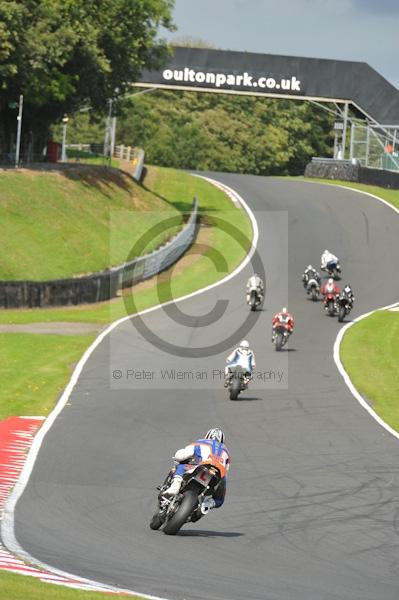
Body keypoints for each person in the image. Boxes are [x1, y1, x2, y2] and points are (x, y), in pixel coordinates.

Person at [164, 428, 230, 516]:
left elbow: (182, 455)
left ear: (207, 436)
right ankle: (208, 505)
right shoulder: (226, 451)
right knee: (220, 499)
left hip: (201, 467)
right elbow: (226, 470)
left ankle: (175, 486)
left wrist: (177, 458)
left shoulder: (201, 442)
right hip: (217, 475)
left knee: (181, 465)